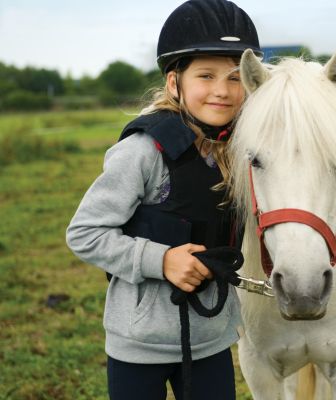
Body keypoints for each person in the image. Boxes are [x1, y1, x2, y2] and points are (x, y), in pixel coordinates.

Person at [65, 1, 262, 399]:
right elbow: (84, 233)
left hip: (211, 339)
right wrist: (162, 260)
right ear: (175, 83)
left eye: (235, 77)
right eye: (205, 76)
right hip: (139, 344)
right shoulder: (143, 151)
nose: (222, 91)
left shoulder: (245, 152)